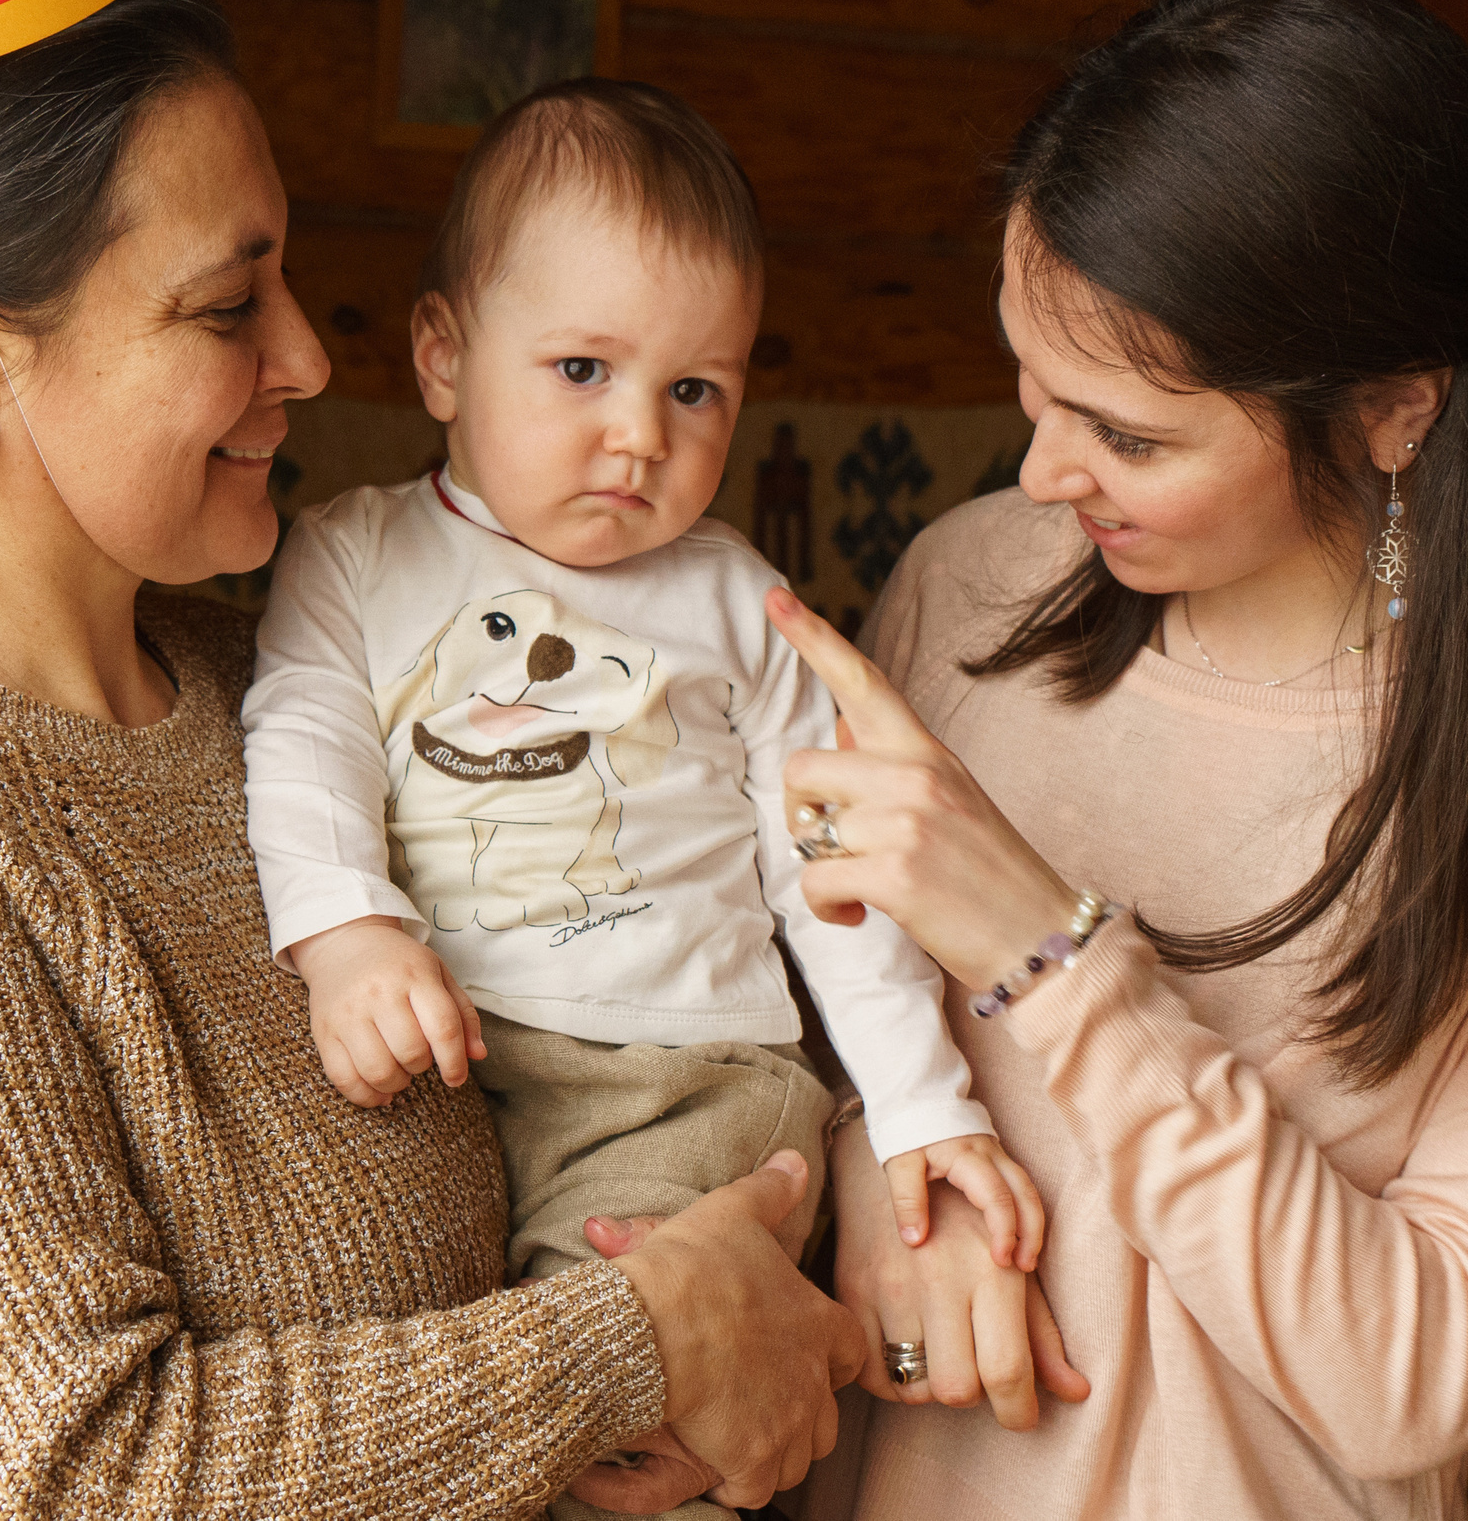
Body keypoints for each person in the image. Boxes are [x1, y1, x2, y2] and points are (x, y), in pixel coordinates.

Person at [0, 0, 861, 1520]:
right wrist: (645, 1343)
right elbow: (55, 1478)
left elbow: (648, 982)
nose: (307, 357)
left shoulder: (266, 680)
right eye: (227, 306)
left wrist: (863, 1188)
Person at [752, 0, 1468, 1520]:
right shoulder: (967, 584)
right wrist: (881, 1168)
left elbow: (1413, 1374)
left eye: (1128, 434)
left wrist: (1049, 956)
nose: (1041, 475)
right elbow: (793, 1024)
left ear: (1395, 408)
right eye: (1030, 390)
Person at [243, 78, 1045, 1519]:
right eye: (580, 372)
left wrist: (922, 1104)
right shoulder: (352, 559)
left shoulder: (740, 604)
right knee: (464, 1383)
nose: (638, 436)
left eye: (694, 391)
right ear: (443, 354)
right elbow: (305, 745)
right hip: (460, 1076)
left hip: (690, 1080)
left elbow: (833, 872)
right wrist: (347, 933)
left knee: (640, 1409)